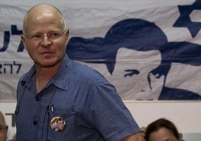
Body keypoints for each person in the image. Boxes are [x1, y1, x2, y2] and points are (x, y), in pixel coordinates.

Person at [16, 3, 144, 141]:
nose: (46, 42)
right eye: (37, 36)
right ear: (24, 41)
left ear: (66, 36)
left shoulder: (90, 85)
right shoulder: (24, 85)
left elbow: (133, 138)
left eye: (54, 34)